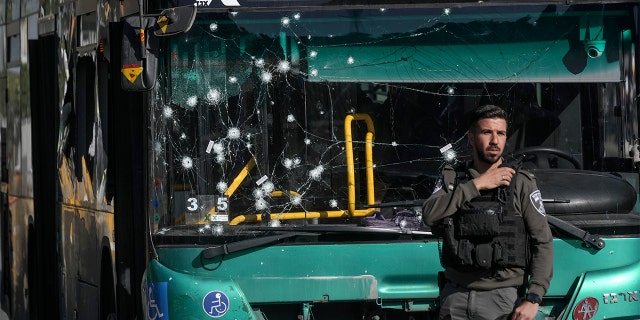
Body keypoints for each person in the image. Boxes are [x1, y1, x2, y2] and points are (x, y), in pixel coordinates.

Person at [422, 105, 553, 320]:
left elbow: (543, 242)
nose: (495, 140)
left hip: (502, 301)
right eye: (487, 132)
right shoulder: (453, 179)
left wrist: (533, 298)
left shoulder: (520, 182)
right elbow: (429, 214)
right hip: (455, 297)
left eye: (500, 133)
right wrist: (477, 185)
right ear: (472, 138)